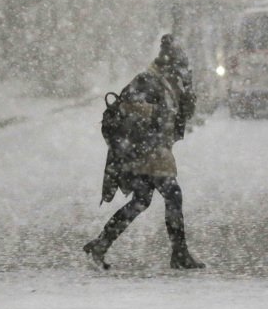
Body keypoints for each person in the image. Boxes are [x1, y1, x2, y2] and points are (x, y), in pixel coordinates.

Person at [84, 34, 204, 270]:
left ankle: (100, 244)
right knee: (172, 195)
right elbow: (131, 113)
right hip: (146, 152)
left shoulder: (169, 83)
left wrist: (188, 89)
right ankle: (179, 254)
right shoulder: (147, 80)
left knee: (141, 200)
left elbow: (183, 115)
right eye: (180, 66)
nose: (182, 71)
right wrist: (152, 125)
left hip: (154, 151)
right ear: (169, 62)